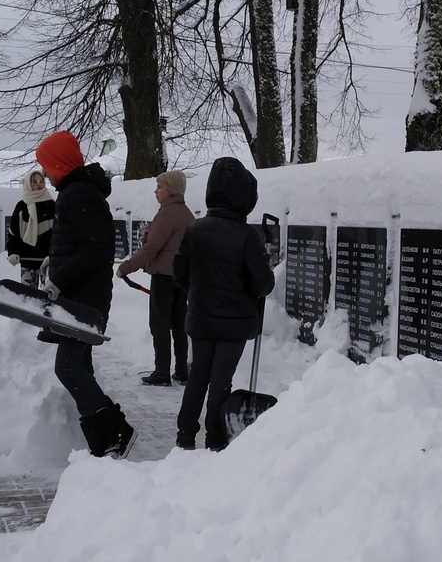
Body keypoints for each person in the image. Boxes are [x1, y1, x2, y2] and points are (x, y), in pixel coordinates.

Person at [35, 131, 136, 458]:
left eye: (48, 167)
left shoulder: (78, 194)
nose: (46, 175)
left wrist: (59, 279)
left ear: (60, 164)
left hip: (82, 300)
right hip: (81, 297)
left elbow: (96, 250)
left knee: (68, 368)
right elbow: (82, 243)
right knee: (79, 367)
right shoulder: (77, 191)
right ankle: (105, 439)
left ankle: (116, 432)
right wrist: (56, 261)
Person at [172, 157, 275, 451]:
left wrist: (200, 292)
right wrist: (266, 274)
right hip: (235, 322)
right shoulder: (248, 236)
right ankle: (215, 439)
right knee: (220, 381)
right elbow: (261, 285)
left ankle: (184, 436)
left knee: (198, 376)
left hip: (201, 317)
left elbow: (180, 274)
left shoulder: (195, 229)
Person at [116, 170, 194, 386]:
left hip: (163, 277)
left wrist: (126, 267)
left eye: (159, 187)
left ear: (170, 190)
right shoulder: (187, 214)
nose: (155, 191)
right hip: (181, 278)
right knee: (179, 325)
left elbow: (152, 249)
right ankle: (181, 371)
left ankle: (162, 372)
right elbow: (172, 243)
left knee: (159, 325)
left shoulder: (167, 213)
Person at [5, 168, 55, 286]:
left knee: (47, 298)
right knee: (28, 297)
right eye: (34, 181)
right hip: (27, 259)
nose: (38, 184)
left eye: (40, 181)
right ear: (28, 183)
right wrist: (12, 252)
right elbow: (13, 232)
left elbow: (60, 231)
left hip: (48, 260)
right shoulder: (22, 206)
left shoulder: (52, 205)